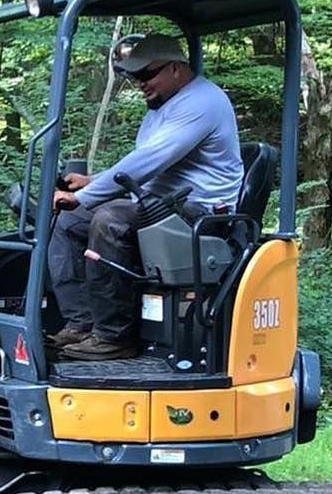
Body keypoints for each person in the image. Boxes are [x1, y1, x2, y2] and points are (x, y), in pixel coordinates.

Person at [47, 33, 244, 361]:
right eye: (134, 76)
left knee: (108, 221)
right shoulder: (163, 104)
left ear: (177, 68)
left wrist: (86, 196)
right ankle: (81, 322)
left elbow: (148, 161)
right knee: (67, 223)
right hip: (161, 202)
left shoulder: (201, 103)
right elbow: (146, 163)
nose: (140, 83)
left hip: (199, 211)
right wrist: (91, 182)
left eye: (146, 74)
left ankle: (114, 337)